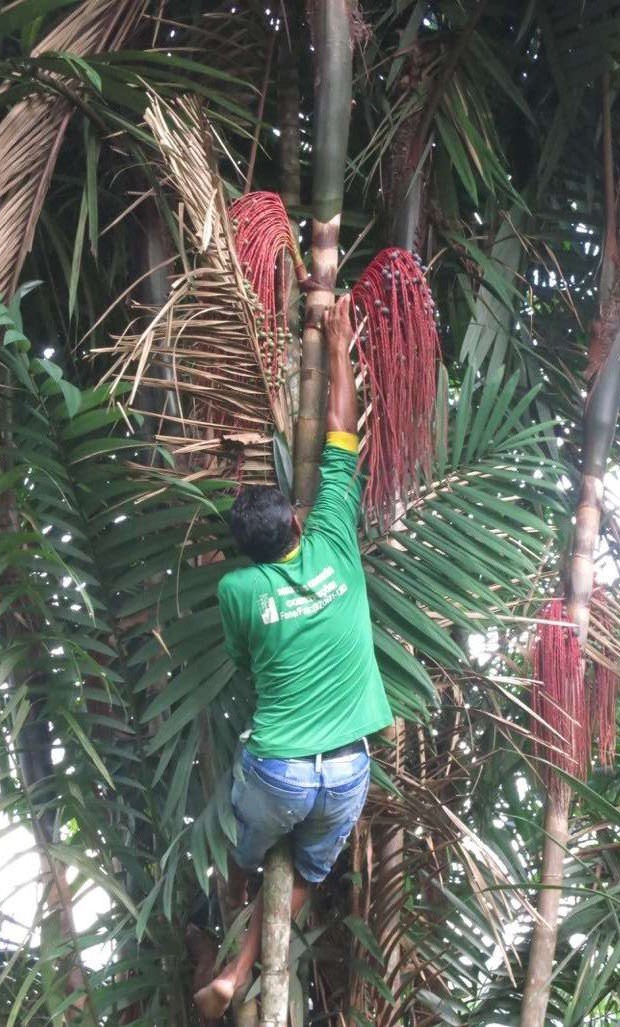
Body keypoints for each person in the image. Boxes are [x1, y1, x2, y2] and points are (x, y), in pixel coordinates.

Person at [195, 294, 393, 1019]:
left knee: (251, 854)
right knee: (309, 870)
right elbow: (342, 430)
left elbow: (246, 667)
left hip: (276, 771)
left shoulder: (238, 590)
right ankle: (245, 964)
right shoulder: (334, 533)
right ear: (298, 520)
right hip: (344, 768)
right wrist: (337, 340)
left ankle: (237, 924)